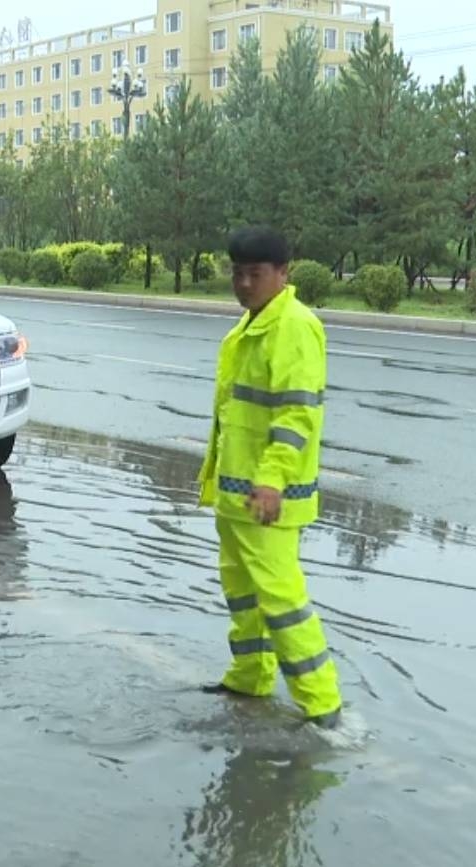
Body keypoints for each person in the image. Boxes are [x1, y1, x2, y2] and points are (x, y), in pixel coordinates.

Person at [196, 226, 343, 728]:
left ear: (283, 274)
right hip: (239, 496)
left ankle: (321, 705)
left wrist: (272, 480)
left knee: (283, 604)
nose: (242, 284)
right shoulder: (251, 326)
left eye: (254, 275)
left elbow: (295, 415)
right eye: (236, 274)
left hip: (268, 499)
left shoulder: (293, 327)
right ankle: (250, 677)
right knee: (244, 594)